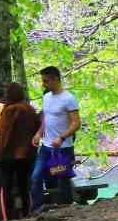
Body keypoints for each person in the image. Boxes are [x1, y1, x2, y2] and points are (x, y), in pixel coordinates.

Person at [30, 66, 81, 212]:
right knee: (36, 177)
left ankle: (66, 209)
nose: (43, 84)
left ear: (55, 79)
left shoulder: (68, 99)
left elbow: (76, 123)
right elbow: (46, 117)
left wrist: (62, 137)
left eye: (45, 81)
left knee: (62, 180)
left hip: (62, 148)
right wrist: (39, 133)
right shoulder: (46, 97)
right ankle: (37, 209)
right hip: (46, 147)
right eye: (42, 81)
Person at [0, 82, 41, 219]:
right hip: (26, 156)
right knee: (24, 186)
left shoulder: (9, 110)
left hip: (7, 157)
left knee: (6, 187)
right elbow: (37, 128)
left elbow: (2, 135)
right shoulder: (29, 109)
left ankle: (9, 217)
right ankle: (27, 213)